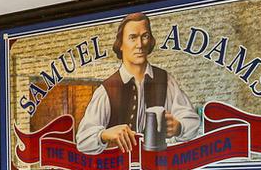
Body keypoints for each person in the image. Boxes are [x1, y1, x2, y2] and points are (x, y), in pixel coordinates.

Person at [74, 12, 200, 155]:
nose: (140, 45)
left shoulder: (165, 80)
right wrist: (104, 134)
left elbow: (193, 121)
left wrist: (179, 127)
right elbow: (83, 140)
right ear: (120, 44)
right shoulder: (108, 89)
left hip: (157, 168)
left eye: (145, 36)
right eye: (133, 38)